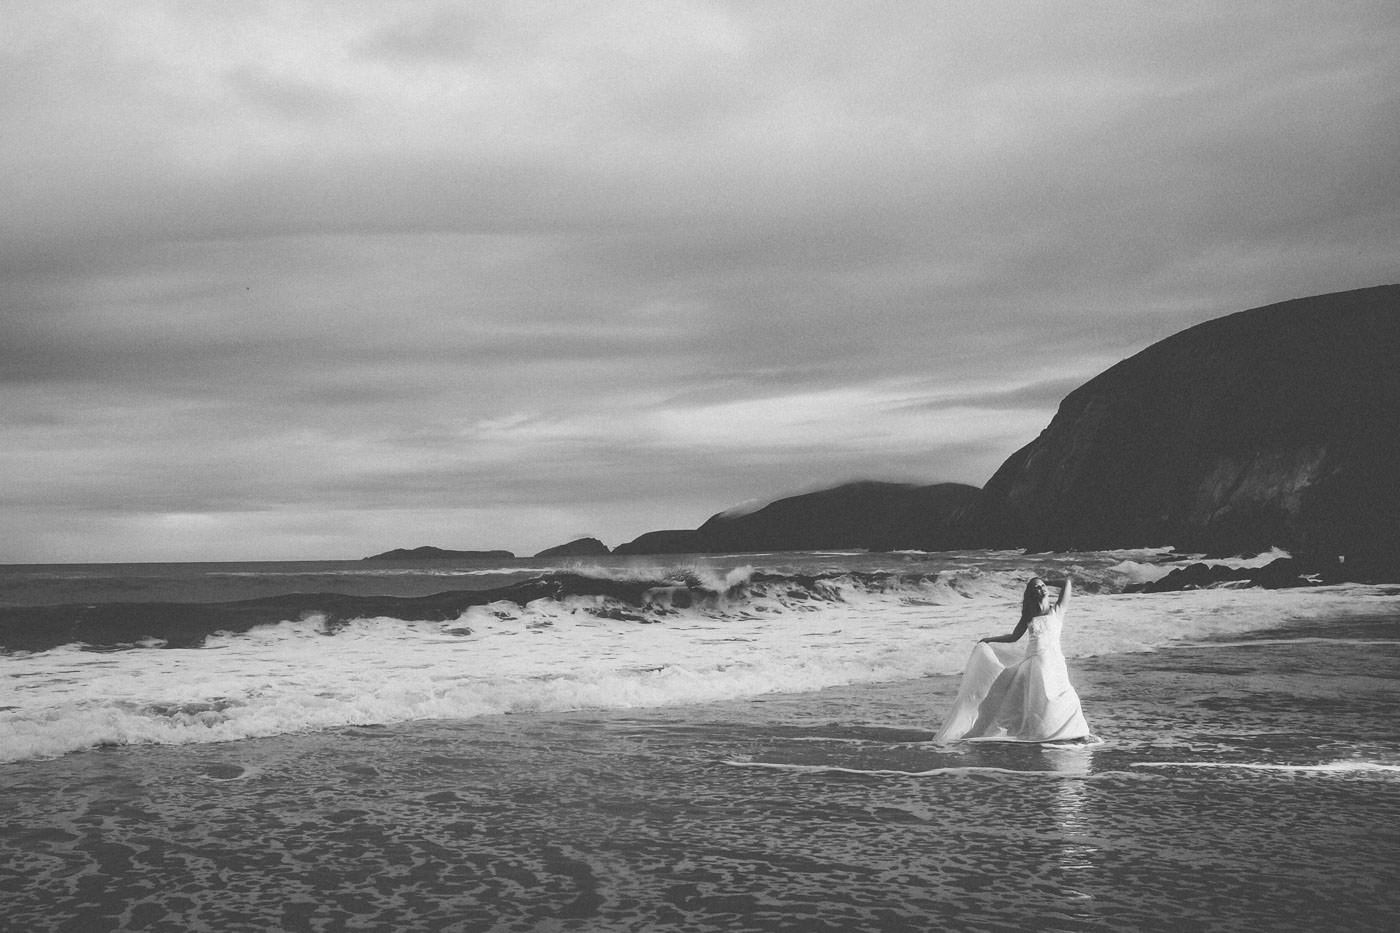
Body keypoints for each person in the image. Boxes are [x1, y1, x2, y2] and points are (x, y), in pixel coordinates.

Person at [933, 575, 1092, 744]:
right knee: (1041, 698)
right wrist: (989, 639)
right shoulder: (1029, 617)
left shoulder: (1057, 610)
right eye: (1036, 588)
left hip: (1055, 660)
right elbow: (1013, 637)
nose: (1041, 589)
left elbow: (1066, 582)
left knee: (1065, 694)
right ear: (1031, 594)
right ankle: (1047, 733)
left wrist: (1045, 580)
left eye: (1042, 586)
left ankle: (1078, 731)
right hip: (1036, 661)